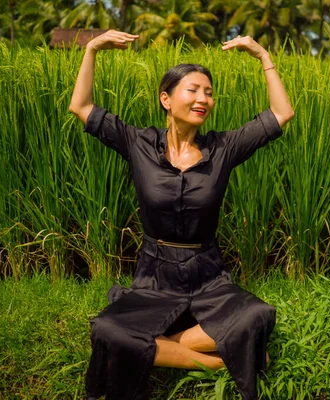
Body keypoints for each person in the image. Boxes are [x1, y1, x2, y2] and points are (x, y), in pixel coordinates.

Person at [69, 30, 294, 400]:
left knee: (255, 316)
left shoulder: (224, 147)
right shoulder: (137, 142)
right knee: (107, 330)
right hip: (154, 274)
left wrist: (263, 56)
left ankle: (154, 345)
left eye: (208, 92)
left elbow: (282, 113)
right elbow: (81, 107)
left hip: (208, 275)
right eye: (193, 90)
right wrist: (91, 48)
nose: (203, 98)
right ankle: (215, 361)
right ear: (166, 99)